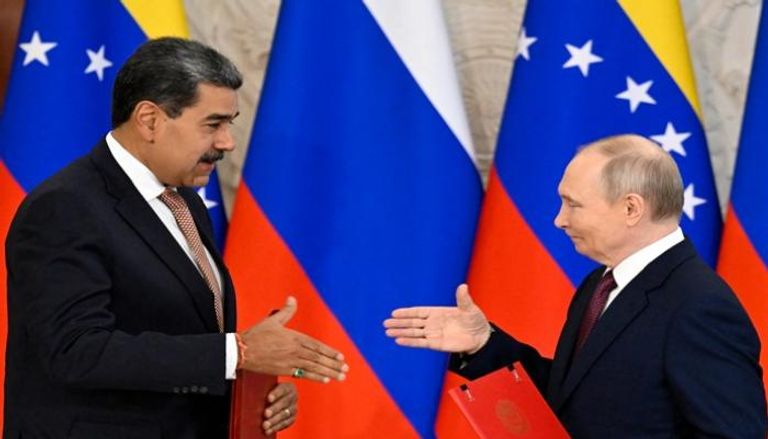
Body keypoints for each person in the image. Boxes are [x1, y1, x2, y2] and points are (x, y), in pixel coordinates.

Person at [4, 37, 348, 439]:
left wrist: (248, 391)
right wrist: (238, 352)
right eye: (213, 124)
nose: (227, 142)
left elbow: (185, 340)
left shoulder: (184, 201)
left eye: (230, 123)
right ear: (150, 120)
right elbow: (75, 350)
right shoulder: (65, 207)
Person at [384, 135, 767, 438]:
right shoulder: (599, 284)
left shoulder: (699, 306)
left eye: (573, 205)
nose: (559, 220)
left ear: (631, 209)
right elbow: (572, 395)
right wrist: (483, 344)